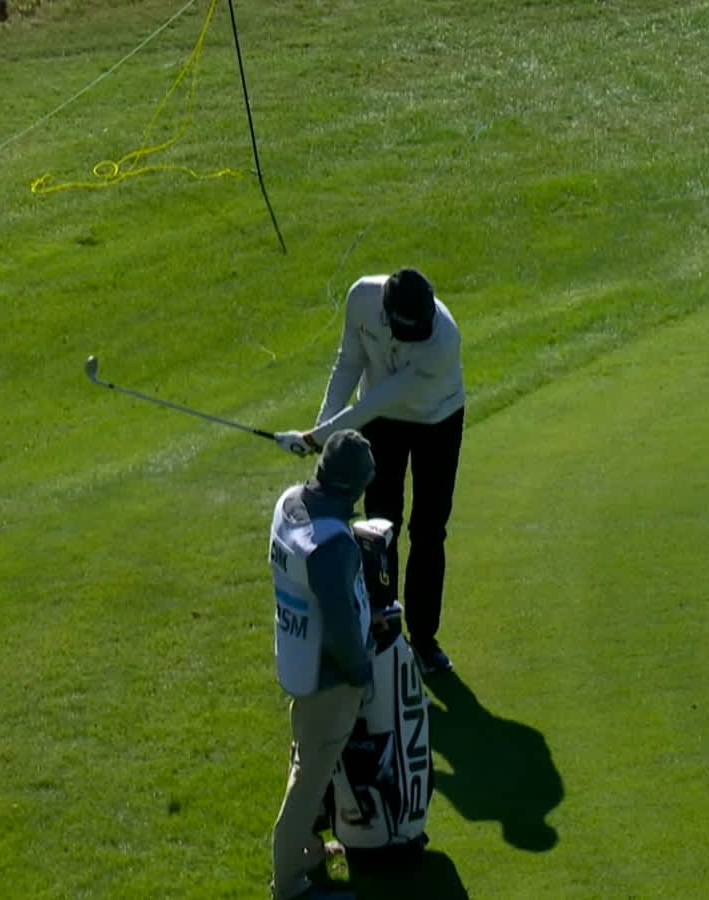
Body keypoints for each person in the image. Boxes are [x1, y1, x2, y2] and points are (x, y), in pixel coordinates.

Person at [274, 267, 465, 676]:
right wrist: (319, 430)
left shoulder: (443, 340)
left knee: (429, 528)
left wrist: (316, 438)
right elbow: (349, 362)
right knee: (380, 525)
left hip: (438, 418)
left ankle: (424, 640)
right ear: (387, 314)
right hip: (383, 423)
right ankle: (382, 630)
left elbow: (376, 401)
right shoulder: (362, 297)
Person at [268, 430, 378, 900]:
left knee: (306, 760)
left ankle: (308, 851)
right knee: (308, 781)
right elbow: (341, 626)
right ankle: (290, 884)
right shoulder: (333, 547)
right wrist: (361, 673)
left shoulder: (289, 503)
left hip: (297, 657)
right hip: (329, 676)